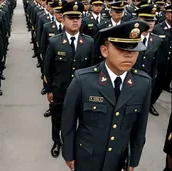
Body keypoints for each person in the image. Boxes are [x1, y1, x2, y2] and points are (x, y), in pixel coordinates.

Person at [61, 20, 151, 171]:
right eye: (122, 49)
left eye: (134, 49)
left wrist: (133, 160)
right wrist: (69, 155)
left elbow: (140, 128)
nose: (129, 54)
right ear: (104, 51)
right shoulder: (83, 80)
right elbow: (68, 122)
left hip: (119, 159)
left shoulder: (143, 83)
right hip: (87, 157)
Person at [43, 0, 94, 158]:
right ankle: (57, 140)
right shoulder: (55, 41)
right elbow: (47, 68)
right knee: (57, 117)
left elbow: (92, 68)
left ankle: (74, 142)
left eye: (77, 17)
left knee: (80, 118)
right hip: (60, 89)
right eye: (71, 17)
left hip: (81, 90)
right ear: (62, 19)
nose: (75, 21)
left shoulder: (89, 42)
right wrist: (49, 89)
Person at [151, 4, 172, 116]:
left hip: (169, 64)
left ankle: (152, 101)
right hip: (158, 63)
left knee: (161, 85)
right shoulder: (158, 29)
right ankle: (148, 103)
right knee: (154, 84)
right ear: (167, 14)